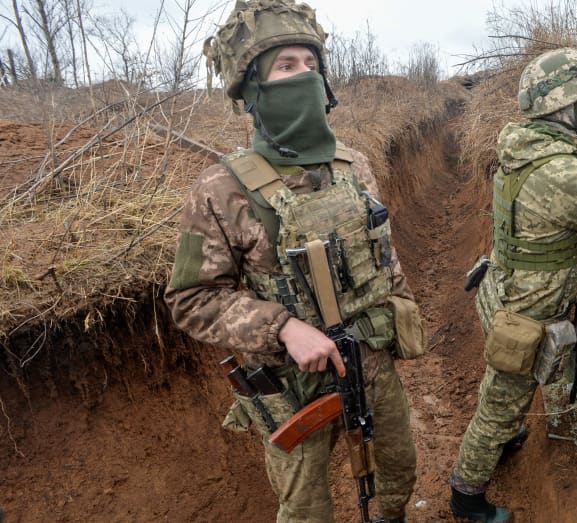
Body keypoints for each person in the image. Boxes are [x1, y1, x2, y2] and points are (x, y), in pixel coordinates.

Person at [164, 1, 422, 521]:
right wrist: (282, 328)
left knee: (398, 476)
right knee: (306, 510)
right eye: (285, 66)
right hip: (291, 385)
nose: (303, 76)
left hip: (370, 365)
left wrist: (398, 313)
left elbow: (381, 254)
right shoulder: (222, 189)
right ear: (254, 89)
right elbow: (190, 299)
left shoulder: (354, 165)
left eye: (311, 64)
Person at [448, 45, 577, 522]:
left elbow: (576, 160)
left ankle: (502, 438)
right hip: (526, 319)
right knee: (500, 404)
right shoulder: (557, 174)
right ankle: (466, 496)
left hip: (505, 295)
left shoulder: (528, 147)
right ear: (563, 104)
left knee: (502, 396)